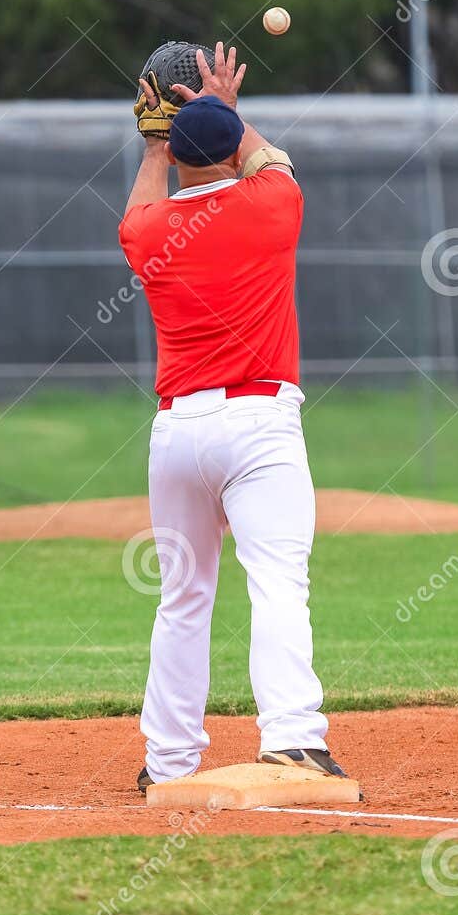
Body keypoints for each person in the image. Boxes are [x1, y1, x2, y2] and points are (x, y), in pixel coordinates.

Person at [120, 42, 347, 791]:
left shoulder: (149, 233)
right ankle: (292, 740)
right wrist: (221, 111)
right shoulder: (273, 206)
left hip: (177, 433)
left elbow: (143, 202)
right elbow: (267, 159)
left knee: (183, 600)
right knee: (277, 581)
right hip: (258, 426)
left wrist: (156, 142)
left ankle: (167, 763)